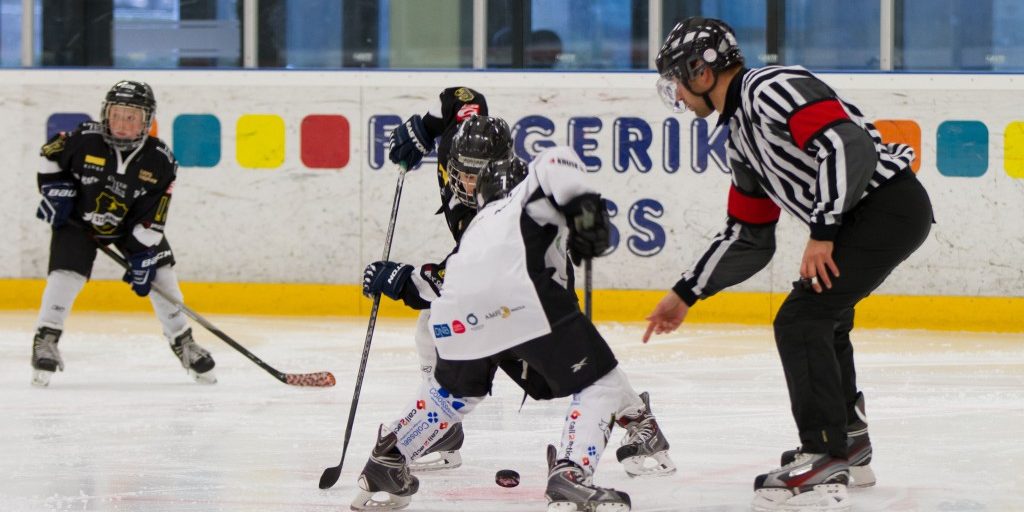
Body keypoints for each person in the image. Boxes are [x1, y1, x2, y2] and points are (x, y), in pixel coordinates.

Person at [645, 17, 933, 512]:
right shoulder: (739, 136)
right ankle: (848, 438)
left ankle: (824, 453)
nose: (674, 91)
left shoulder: (771, 87)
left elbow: (848, 145)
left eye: (676, 76)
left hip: (889, 206)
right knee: (824, 317)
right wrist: (687, 291)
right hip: (864, 216)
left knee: (801, 320)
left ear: (702, 69)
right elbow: (749, 235)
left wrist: (822, 232)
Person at [353, 117, 674, 511]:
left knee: (451, 396)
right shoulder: (528, 186)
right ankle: (572, 472)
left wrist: (403, 281)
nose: (467, 183)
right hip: (524, 303)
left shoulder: (479, 225)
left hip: (460, 312)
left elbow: (448, 279)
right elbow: (559, 163)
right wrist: (588, 216)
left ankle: (388, 458)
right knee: (598, 380)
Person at [31, 80, 216, 387]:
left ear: (146, 121)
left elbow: (154, 218)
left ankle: (184, 343)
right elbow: (49, 153)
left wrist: (144, 257)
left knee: (161, 274)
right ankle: (45, 339)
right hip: (79, 220)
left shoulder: (161, 160)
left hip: (132, 227)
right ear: (106, 113)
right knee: (66, 274)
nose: (122, 123)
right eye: (117, 114)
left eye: (132, 117)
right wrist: (54, 190)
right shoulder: (84, 138)